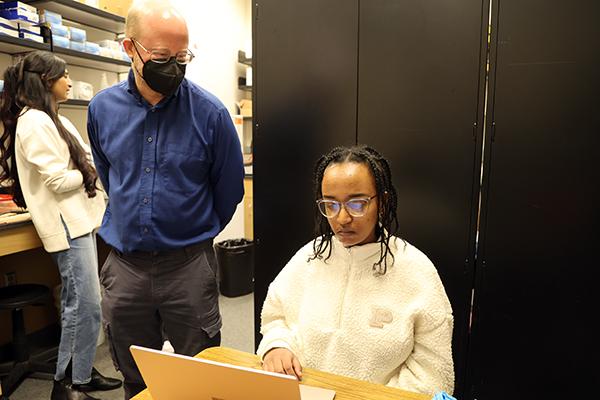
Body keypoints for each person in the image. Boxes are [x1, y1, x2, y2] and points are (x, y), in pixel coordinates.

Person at [87, 1, 245, 398]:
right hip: (125, 268)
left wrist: (190, 231)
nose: (173, 65)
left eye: (182, 56)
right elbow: (111, 174)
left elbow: (228, 192)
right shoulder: (102, 109)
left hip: (188, 265)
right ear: (129, 48)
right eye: (161, 57)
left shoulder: (211, 113)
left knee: (201, 377)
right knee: (135, 376)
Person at [257, 145, 455, 396]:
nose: (342, 218)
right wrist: (276, 347)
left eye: (357, 204)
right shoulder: (309, 258)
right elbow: (275, 316)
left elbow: (434, 372)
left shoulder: (415, 271)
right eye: (330, 204)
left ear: (381, 202)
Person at [0, 51, 122, 400]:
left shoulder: (55, 118)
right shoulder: (33, 122)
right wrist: (92, 169)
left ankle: (77, 375)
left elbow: (84, 155)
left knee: (82, 303)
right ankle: (68, 384)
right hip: (66, 225)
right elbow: (56, 180)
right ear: (44, 81)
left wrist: (92, 165)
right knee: (83, 305)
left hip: (79, 220)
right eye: (63, 74)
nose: (69, 80)